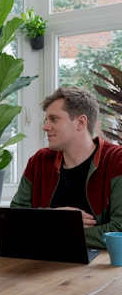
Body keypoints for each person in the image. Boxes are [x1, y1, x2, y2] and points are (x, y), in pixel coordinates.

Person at [11, 86, 122, 249]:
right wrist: (56, 219)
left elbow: (119, 231)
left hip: (100, 269)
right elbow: (14, 220)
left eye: (54, 119)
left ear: (80, 122)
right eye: (46, 120)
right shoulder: (39, 161)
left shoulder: (116, 160)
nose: (45, 127)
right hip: (40, 263)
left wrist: (60, 229)